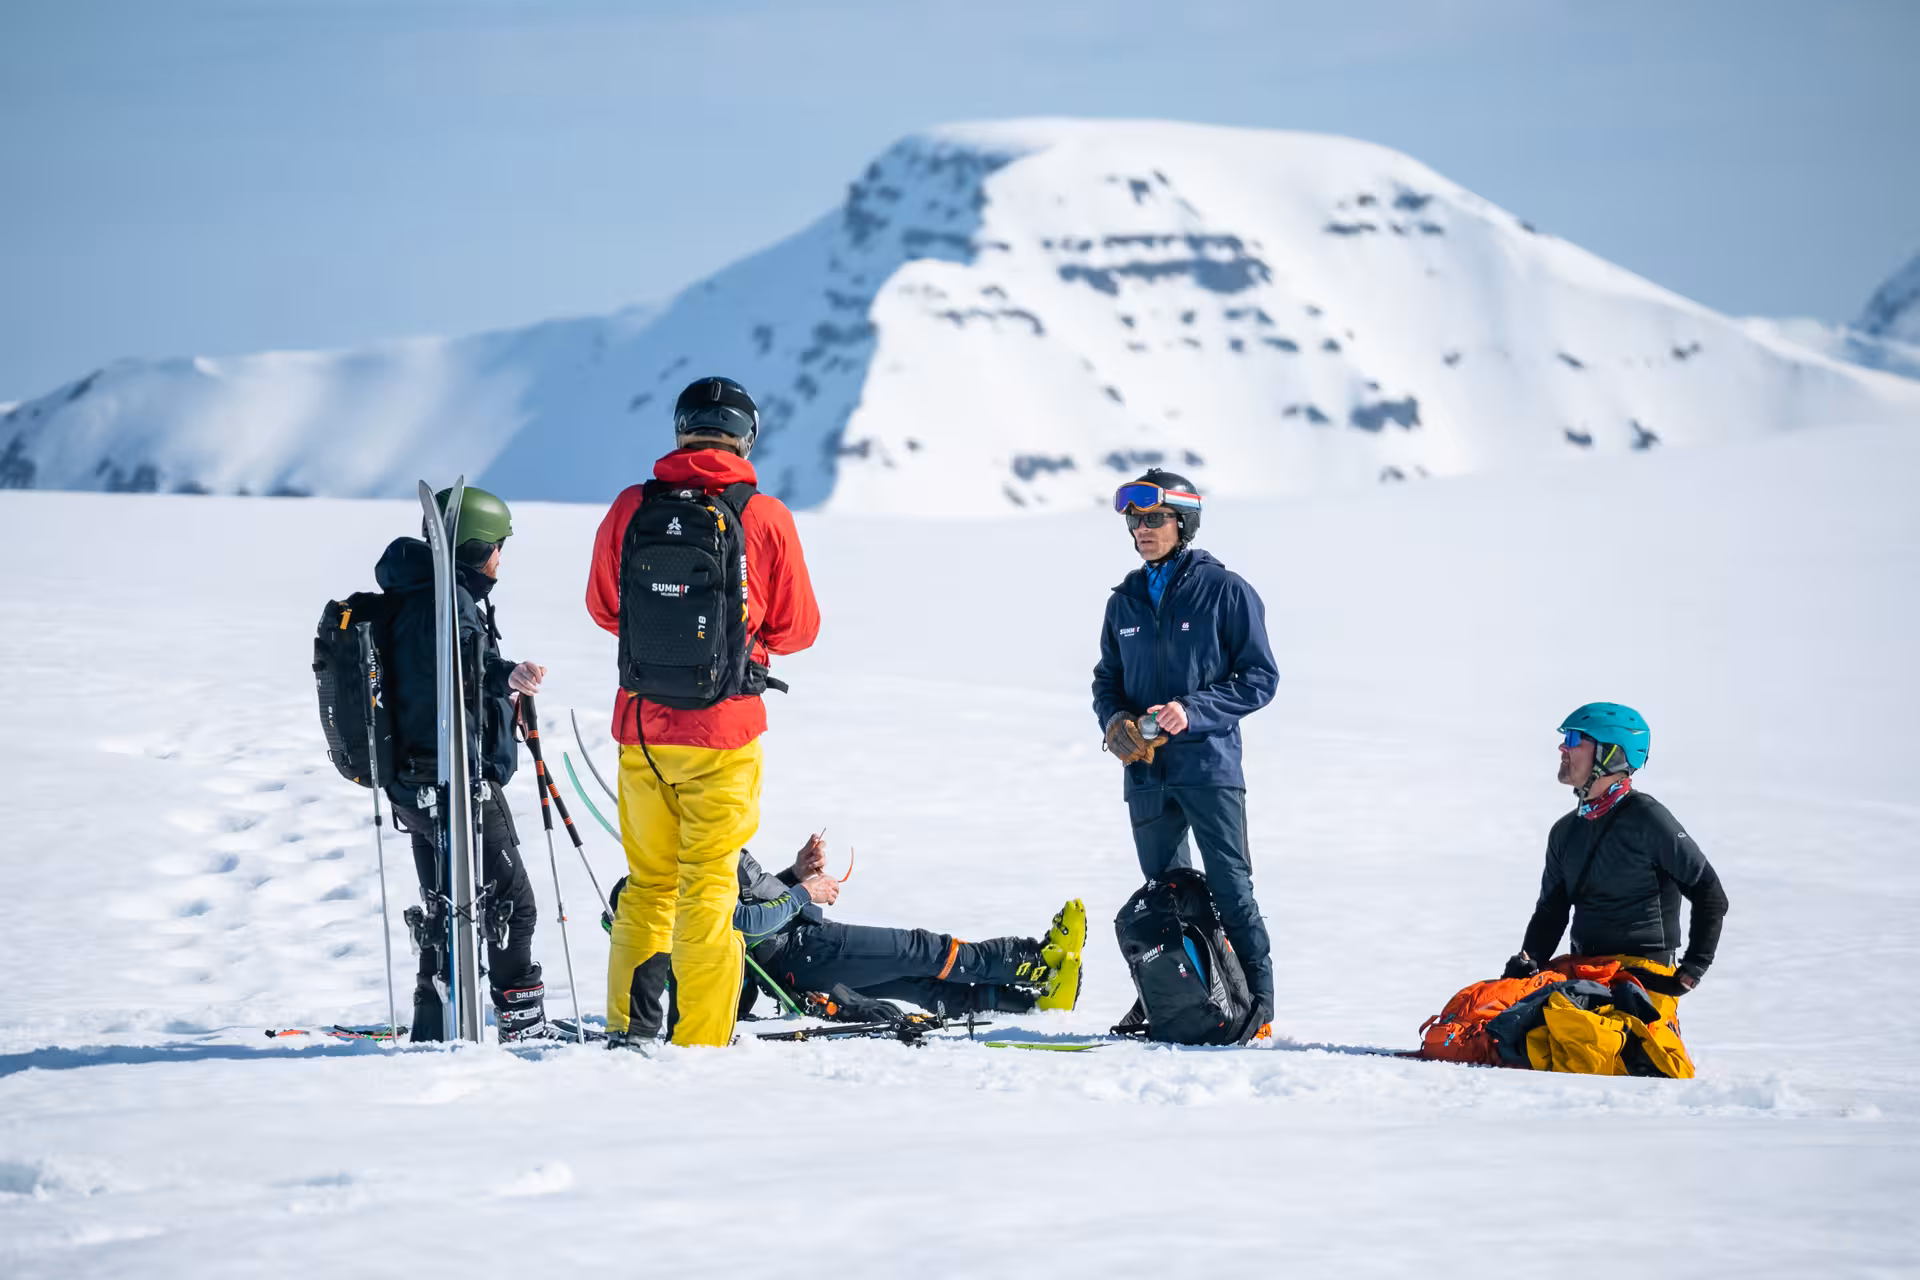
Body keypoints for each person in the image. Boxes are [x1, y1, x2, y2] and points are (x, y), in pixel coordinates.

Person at [587, 376, 821, 1049]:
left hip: (641, 731)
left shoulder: (632, 507)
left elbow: (606, 608)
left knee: (649, 886)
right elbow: (799, 628)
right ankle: (699, 1042)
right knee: (709, 890)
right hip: (724, 733)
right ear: (746, 436)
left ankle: (630, 1030)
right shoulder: (764, 515)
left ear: (681, 429)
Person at [1092, 469, 1280, 1043]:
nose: (1142, 530)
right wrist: (1115, 720)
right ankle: (1173, 1002)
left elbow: (1259, 678)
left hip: (1210, 769)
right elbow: (1106, 681)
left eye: (1154, 520)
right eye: (1135, 520)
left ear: (1183, 523)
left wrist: (1192, 711)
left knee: (1230, 887)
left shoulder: (1225, 591)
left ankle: (1259, 1010)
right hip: (1147, 773)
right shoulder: (1123, 601)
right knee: (1165, 895)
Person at [376, 486, 553, 1043]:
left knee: (443, 907)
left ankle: (435, 1019)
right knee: (512, 906)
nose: (501, 559)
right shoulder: (447, 601)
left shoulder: (414, 593)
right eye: (498, 546)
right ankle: (521, 1026)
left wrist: (502, 677)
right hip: (455, 784)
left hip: (412, 783)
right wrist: (507, 678)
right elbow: (460, 673)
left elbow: (449, 670)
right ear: (476, 547)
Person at [1504, 703, 1729, 999]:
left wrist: (1691, 970)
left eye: (1573, 739)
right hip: (1583, 972)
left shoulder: (1648, 818)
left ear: (1610, 753)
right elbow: (1551, 912)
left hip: (1640, 979)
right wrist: (1528, 961)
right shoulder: (1565, 832)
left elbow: (1709, 893)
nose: (1562, 747)